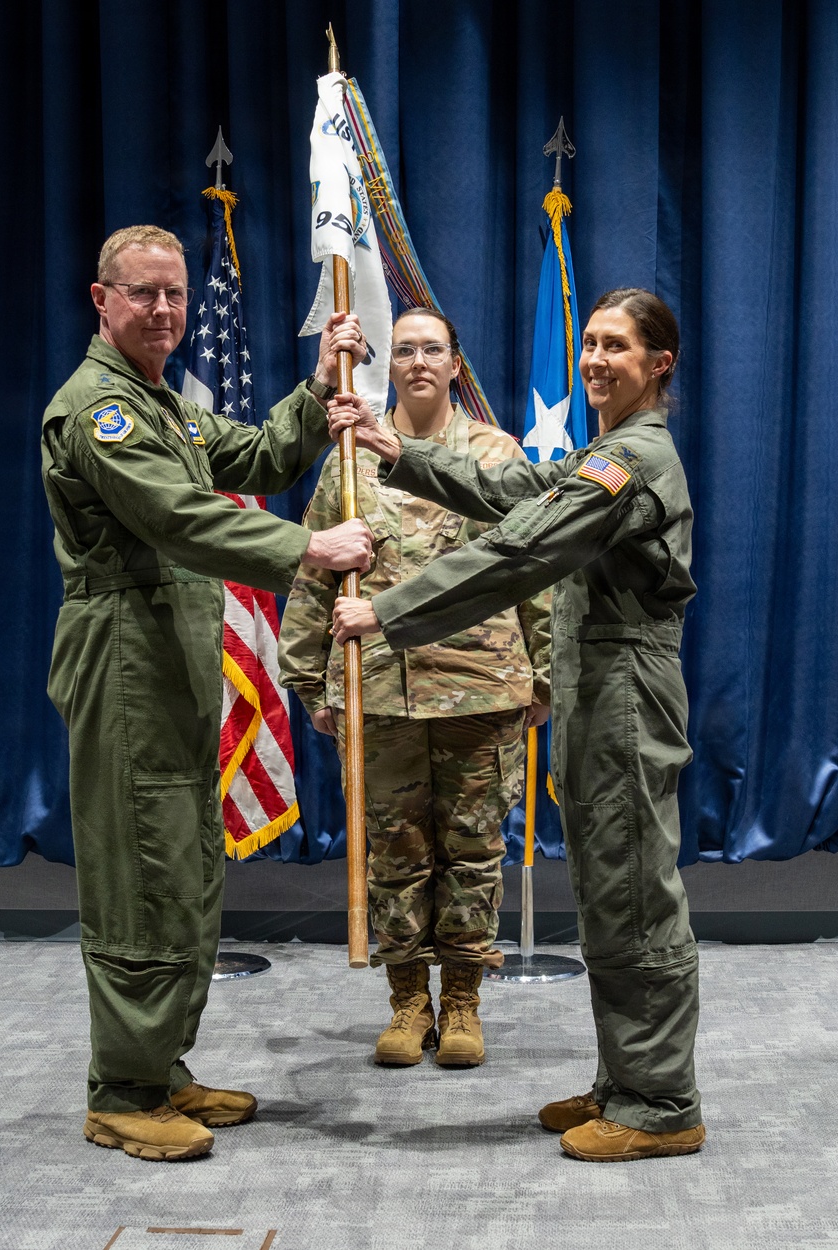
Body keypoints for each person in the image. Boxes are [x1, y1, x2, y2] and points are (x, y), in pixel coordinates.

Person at [329, 289, 705, 1163]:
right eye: (590, 343)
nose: (595, 360)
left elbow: (523, 548)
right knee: (609, 892)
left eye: (617, 346)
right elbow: (520, 489)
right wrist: (402, 454)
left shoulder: (634, 459)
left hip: (625, 692)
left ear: (660, 364)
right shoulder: (606, 453)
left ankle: (661, 1103)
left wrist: (388, 611)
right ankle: (625, 1080)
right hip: (599, 690)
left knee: (635, 896)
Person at [41, 224, 372, 1162]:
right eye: (142, 292)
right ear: (101, 300)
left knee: (184, 864)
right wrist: (309, 549)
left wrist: (318, 386)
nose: (164, 310)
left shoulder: (162, 405)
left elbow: (256, 459)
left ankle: (161, 1067)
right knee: (141, 872)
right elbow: (177, 515)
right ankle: (122, 1089)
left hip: (171, 653)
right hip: (125, 656)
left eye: (175, 294)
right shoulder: (98, 411)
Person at [277, 308, 551, 1068]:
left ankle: (462, 999)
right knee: (393, 852)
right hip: (379, 690)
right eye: (404, 350)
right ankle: (407, 1002)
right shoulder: (348, 459)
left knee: (473, 849)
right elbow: (315, 569)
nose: (419, 362)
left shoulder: (495, 454)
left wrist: (546, 672)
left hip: (481, 687)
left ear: (456, 364)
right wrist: (309, 678)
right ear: (387, 364)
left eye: (433, 349)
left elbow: (535, 567)